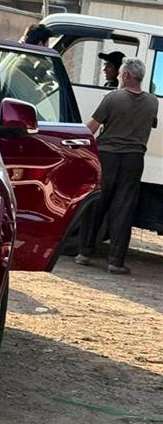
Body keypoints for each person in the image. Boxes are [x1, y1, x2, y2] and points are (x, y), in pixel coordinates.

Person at [75, 58, 159, 274]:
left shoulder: (112, 98)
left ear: (126, 76)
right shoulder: (153, 102)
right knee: (124, 208)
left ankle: (85, 252)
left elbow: (92, 127)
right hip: (134, 159)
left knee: (97, 203)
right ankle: (116, 261)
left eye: (122, 73)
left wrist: (73, 141)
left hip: (107, 157)